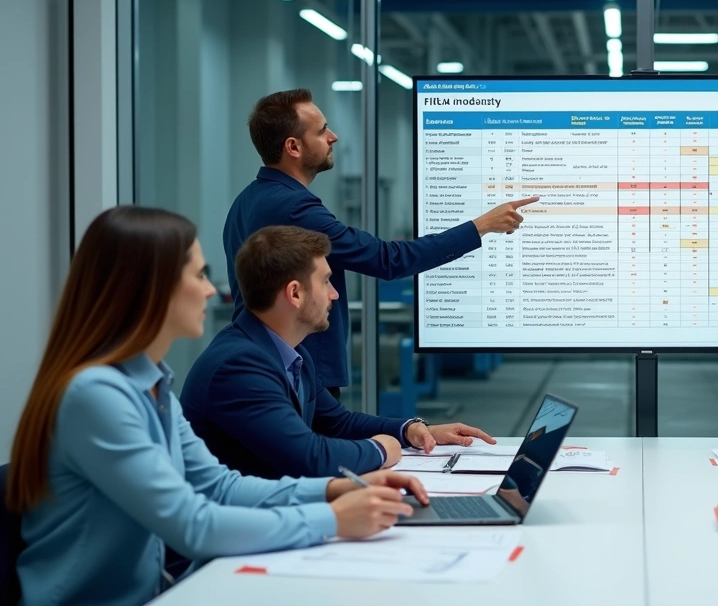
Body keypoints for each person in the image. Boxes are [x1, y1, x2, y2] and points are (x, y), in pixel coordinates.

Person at [5, 206, 430, 606]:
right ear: (151, 290)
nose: (211, 289)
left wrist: (333, 490)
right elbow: (194, 524)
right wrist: (332, 518)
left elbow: (220, 487)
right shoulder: (96, 396)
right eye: (199, 274)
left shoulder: (151, 384)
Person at [226, 88, 536, 400]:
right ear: (293, 147)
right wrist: (481, 226)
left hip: (269, 363)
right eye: (321, 131)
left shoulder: (244, 202)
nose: (333, 137)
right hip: (300, 374)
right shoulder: (296, 208)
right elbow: (388, 259)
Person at [181, 225, 495, 479]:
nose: (334, 295)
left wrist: (410, 430)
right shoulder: (239, 366)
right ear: (294, 293)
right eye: (326, 282)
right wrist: (380, 450)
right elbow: (308, 457)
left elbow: (338, 423)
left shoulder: (291, 353)